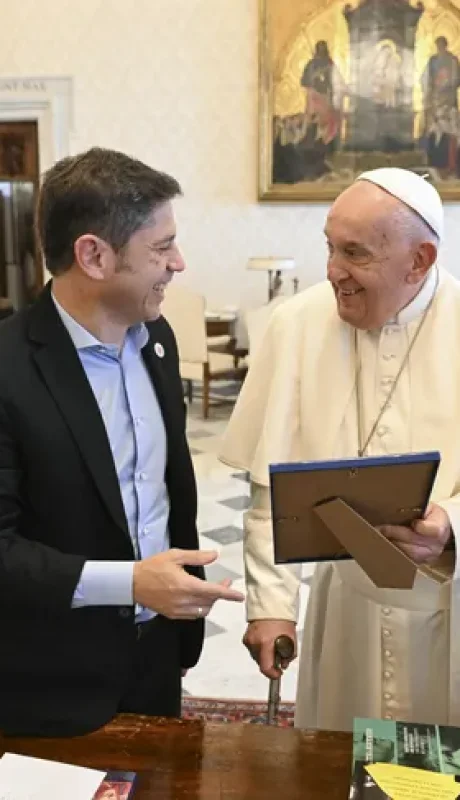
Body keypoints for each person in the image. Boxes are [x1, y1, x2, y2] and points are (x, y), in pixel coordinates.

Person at [0, 146, 244, 737]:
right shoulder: (7, 368)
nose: (179, 263)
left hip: (158, 654)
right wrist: (129, 583)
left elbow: (163, 488)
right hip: (49, 679)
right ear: (94, 255)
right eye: (161, 247)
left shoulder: (156, 342)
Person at [220, 167, 460, 731]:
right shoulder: (296, 325)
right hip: (344, 607)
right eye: (329, 248)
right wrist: (273, 606)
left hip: (450, 616)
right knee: (334, 760)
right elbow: (269, 489)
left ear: (420, 259)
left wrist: (451, 524)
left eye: (354, 253)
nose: (332, 272)